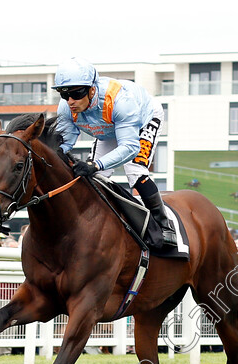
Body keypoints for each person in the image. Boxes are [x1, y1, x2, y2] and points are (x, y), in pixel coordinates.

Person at [53, 57, 177, 247]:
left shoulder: (120, 101)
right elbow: (65, 143)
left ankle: (165, 226)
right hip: (109, 127)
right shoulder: (67, 107)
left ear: (92, 89)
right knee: (96, 178)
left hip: (143, 118)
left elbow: (130, 147)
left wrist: (95, 164)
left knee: (135, 170)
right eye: (64, 94)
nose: (70, 101)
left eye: (76, 94)